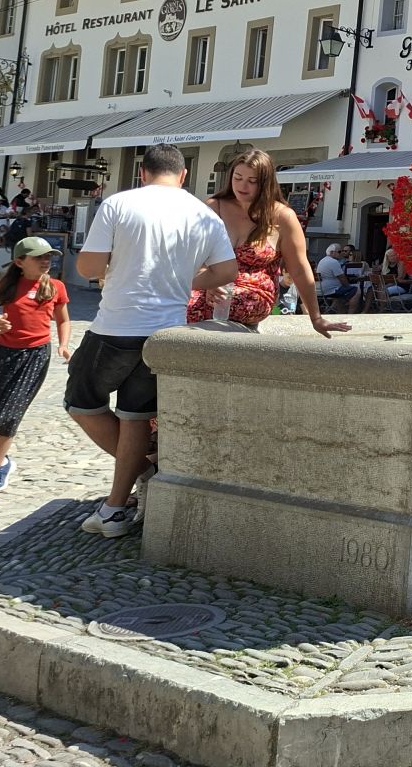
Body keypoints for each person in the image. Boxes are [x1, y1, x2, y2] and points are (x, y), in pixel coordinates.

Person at [68, 143, 238, 538]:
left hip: (116, 325)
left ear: (142, 173)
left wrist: (111, 268)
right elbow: (227, 269)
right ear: (182, 177)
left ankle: (144, 473)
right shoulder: (202, 214)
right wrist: (188, 282)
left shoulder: (119, 204)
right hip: (167, 332)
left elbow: (89, 266)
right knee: (136, 416)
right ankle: (114, 509)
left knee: (80, 402)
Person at [184, 149, 347, 335]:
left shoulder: (282, 216)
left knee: (230, 304)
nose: (242, 185)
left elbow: (299, 269)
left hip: (253, 293)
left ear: (265, 184)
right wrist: (210, 281)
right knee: (178, 303)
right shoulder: (215, 206)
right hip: (213, 285)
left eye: (251, 181)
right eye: (237, 178)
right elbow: (193, 255)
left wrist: (315, 318)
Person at [0, 238, 71, 509]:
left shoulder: (55, 286)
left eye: (49, 256)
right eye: (39, 257)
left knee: (8, 418)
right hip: (3, 354)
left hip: (35, 357)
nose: (46, 261)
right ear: (20, 262)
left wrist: (62, 344)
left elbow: (63, 319)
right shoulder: (7, 285)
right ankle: (1, 463)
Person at [315, 244, 362, 314]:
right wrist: (348, 286)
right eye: (339, 252)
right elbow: (342, 278)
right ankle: (350, 314)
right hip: (331, 290)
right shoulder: (333, 262)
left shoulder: (322, 260)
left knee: (344, 292)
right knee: (357, 291)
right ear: (331, 252)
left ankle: (338, 311)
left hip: (321, 289)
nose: (341, 253)